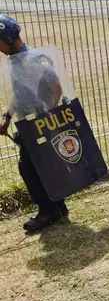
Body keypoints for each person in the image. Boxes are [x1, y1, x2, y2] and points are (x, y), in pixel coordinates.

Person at [0, 15, 68, 231]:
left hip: (40, 123)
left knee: (29, 168)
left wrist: (46, 116)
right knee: (41, 166)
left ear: (8, 38)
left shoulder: (34, 58)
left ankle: (48, 211)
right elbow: (19, 94)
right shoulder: (16, 60)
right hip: (26, 123)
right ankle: (57, 206)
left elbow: (56, 88)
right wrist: (7, 116)